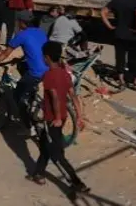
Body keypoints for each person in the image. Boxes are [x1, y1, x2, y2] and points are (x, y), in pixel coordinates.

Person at [26, 41, 89, 198]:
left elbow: (54, 97)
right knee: (45, 145)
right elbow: (73, 96)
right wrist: (79, 116)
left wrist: (57, 118)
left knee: (57, 155)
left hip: (52, 120)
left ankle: (77, 183)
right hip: (63, 117)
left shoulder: (48, 75)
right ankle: (38, 174)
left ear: (46, 57)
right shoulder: (64, 74)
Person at [0, 11, 48, 133]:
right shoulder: (41, 32)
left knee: (16, 97)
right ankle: (30, 97)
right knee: (22, 67)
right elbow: (37, 51)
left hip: (35, 72)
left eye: (18, 21)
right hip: (47, 69)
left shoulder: (22, 35)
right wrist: (20, 59)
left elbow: (5, 53)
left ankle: (28, 126)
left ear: (22, 23)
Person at [101, 0, 136, 90]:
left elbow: (103, 12)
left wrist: (109, 25)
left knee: (120, 57)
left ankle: (121, 80)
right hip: (132, 34)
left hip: (119, 32)